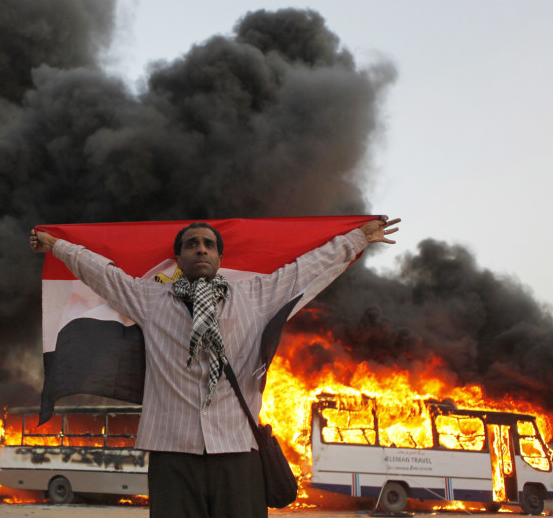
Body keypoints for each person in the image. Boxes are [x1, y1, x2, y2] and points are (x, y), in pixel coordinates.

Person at [30, 216, 400, 517]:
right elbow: (102, 272)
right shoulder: (150, 299)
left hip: (237, 453)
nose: (201, 249)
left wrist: (357, 240)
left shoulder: (254, 297)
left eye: (208, 245)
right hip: (172, 453)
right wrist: (57, 246)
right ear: (178, 260)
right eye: (192, 245)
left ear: (221, 259)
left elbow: (306, 269)